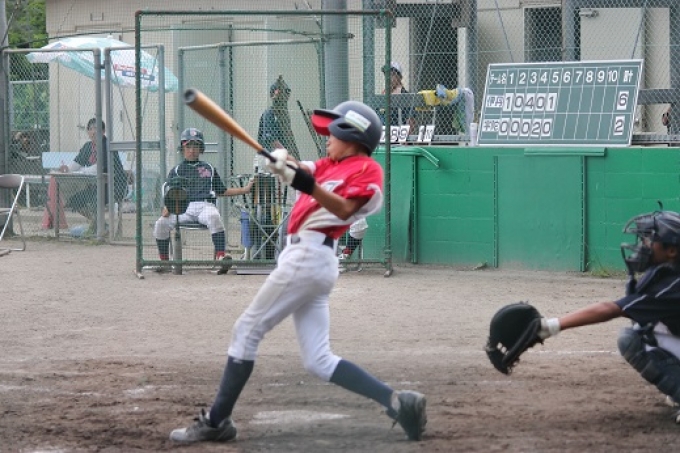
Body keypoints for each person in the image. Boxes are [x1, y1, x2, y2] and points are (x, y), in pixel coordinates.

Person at [169, 101, 427, 444]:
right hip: (307, 260)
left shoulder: (366, 170)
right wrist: (281, 160)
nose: (327, 138)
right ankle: (398, 402)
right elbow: (299, 168)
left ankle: (217, 422)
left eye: (333, 133)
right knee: (319, 360)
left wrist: (306, 183)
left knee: (246, 330)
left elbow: (345, 208)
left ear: (352, 136)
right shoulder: (326, 165)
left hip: (309, 256)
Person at [533, 209, 680, 424]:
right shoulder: (665, 272)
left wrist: (550, 326)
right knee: (645, 326)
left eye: (650, 240)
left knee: (633, 340)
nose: (643, 244)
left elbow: (610, 309)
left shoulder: (673, 285)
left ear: (672, 251)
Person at [153, 127, 253, 273]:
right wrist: (168, 207)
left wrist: (245, 189)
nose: (192, 150)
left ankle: (221, 258)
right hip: (183, 207)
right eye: (188, 146)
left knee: (214, 216)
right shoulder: (176, 170)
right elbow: (171, 193)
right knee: (161, 223)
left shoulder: (209, 168)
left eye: (196, 146)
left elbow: (222, 191)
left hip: (205, 206)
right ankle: (165, 263)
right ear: (182, 148)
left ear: (201, 149)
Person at [58, 118, 127, 223]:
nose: (93, 132)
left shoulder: (107, 145)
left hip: (114, 186)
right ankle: (99, 224)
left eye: (96, 128)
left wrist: (83, 170)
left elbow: (99, 168)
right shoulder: (88, 146)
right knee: (73, 201)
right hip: (96, 187)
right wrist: (67, 168)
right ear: (88, 132)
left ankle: (98, 226)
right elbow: (77, 163)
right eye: (90, 129)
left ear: (103, 131)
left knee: (94, 201)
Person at [380, 61, 416, 134]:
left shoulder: (405, 95)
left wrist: (403, 137)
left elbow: (411, 123)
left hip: (397, 136)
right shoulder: (383, 94)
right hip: (382, 136)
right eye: (386, 74)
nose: (388, 78)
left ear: (399, 77)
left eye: (392, 74)